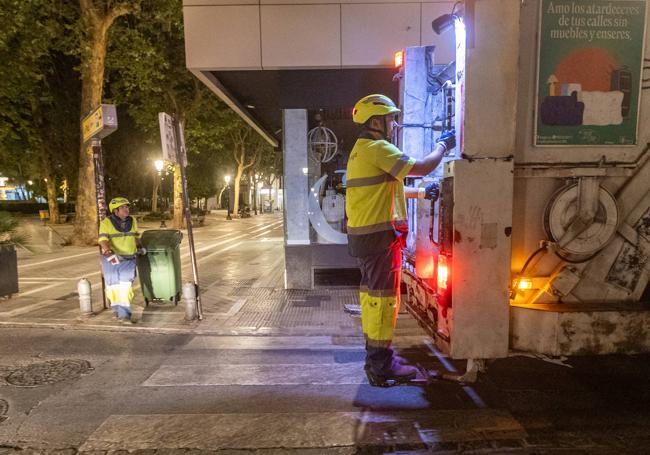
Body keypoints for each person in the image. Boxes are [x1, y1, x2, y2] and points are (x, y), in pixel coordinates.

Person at [346, 94, 455, 386]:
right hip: (380, 240)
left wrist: (420, 194)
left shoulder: (360, 151)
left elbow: (385, 191)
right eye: (391, 118)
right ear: (376, 121)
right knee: (384, 302)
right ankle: (382, 366)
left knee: (372, 300)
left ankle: (375, 358)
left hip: (366, 239)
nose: (395, 124)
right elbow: (422, 167)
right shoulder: (377, 148)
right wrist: (443, 146)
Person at [98, 197, 146, 323]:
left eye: (127, 207)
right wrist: (109, 252)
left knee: (125, 287)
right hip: (112, 259)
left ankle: (124, 315)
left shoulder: (133, 220)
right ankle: (117, 311)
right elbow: (103, 240)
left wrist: (140, 247)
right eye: (123, 207)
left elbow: (135, 236)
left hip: (128, 259)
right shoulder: (106, 222)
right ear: (115, 210)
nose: (126, 209)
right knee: (112, 287)